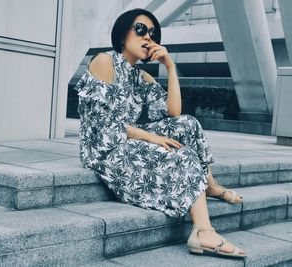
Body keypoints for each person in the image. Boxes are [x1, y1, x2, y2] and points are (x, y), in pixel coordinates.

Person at [74, 8, 246, 258]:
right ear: (123, 34)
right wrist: (152, 138)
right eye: (141, 29)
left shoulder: (140, 76)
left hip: (127, 138)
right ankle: (203, 232)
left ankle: (208, 184)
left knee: (187, 123)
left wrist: (170, 65)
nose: (148, 38)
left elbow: (174, 113)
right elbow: (102, 123)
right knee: (182, 156)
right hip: (104, 147)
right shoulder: (104, 61)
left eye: (153, 34)